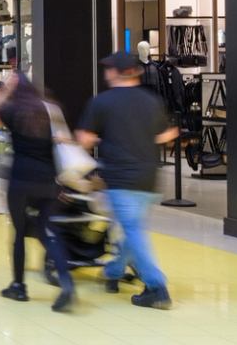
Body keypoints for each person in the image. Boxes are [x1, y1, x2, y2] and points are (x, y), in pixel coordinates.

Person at [76, 51, 181, 309]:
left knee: (133, 230)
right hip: (149, 177)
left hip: (121, 178)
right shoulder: (152, 101)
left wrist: (103, 140)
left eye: (108, 69)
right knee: (133, 229)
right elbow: (168, 134)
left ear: (115, 72)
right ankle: (113, 272)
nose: (106, 73)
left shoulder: (102, 102)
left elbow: (84, 140)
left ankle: (157, 286)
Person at [0, 71, 75, 311]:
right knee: (48, 231)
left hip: (21, 180)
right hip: (48, 180)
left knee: (19, 233)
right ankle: (66, 282)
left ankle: (18, 286)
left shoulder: (12, 111)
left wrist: (3, 92)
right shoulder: (49, 109)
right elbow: (64, 141)